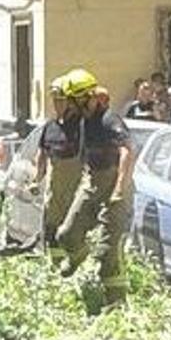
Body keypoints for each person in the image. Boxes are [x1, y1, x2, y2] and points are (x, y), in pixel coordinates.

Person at [54, 69, 135, 307]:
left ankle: (116, 303)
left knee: (107, 252)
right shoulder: (82, 121)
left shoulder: (110, 120)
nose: (70, 106)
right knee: (65, 234)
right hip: (92, 182)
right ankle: (78, 254)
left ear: (85, 98)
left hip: (114, 186)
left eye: (72, 101)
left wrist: (119, 189)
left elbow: (128, 151)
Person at [35, 75, 82, 251]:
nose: (56, 104)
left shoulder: (82, 127)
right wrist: (36, 179)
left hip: (76, 196)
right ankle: (54, 267)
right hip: (54, 196)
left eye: (61, 100)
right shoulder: (50, 128)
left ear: (71, 102)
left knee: (73, 236)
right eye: (54, 100)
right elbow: (41, 155)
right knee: (52, 235)